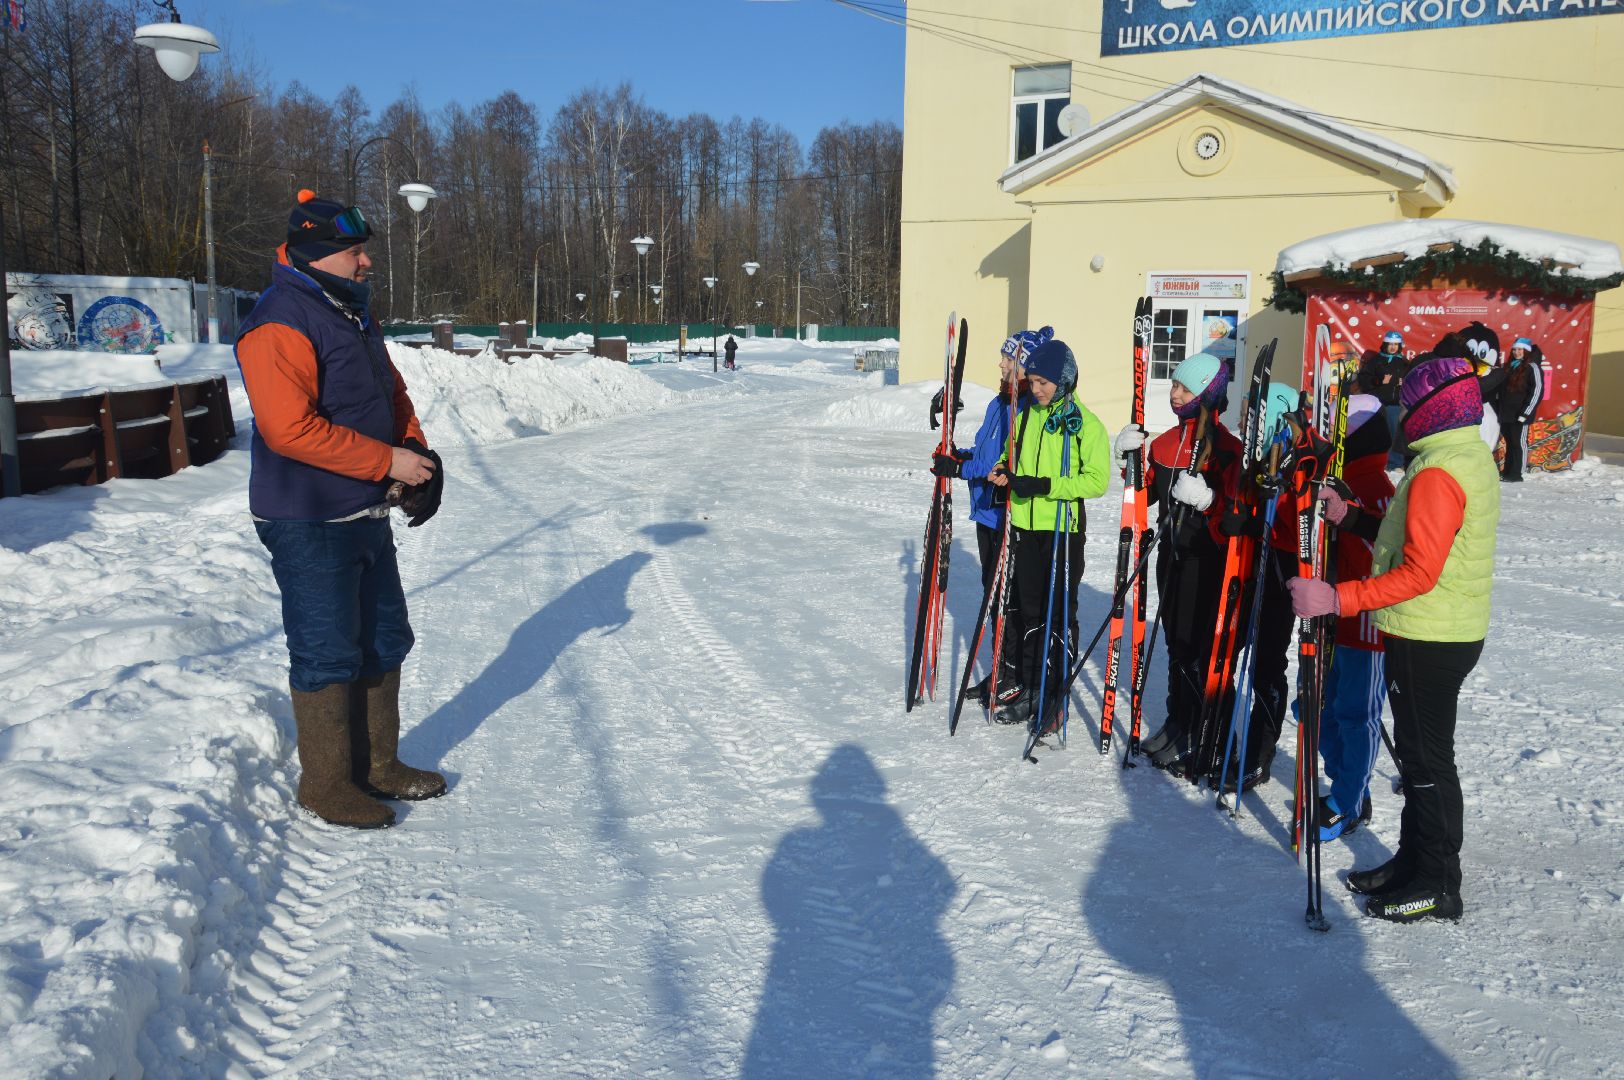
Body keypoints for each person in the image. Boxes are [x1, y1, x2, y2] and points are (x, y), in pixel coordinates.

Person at [236, 189, 448, 830]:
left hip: (362, 512)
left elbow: (390, 389)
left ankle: (379, 766)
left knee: (384, 638)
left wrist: (415, 448)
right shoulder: (280, 321)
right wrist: (387, 463)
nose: (366, 263)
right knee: (328, 649)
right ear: (317, 254)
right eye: (355, 252)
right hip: (307, 516)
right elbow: (288, 430)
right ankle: (327, 784)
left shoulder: (349, 312)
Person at [1289, 355, 1500, 923]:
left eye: (1408, 404)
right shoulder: (1457, 455)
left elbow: (1418, 572)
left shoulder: (1436, 472)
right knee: (1417, 760)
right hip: (1441, 627)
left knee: (1427, 762)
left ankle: (1437, 880)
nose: (1401, 415)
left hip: (1430, 633)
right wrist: (1351, 517)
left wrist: (1337, 599)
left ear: (1432, 409)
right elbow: (1413, 539)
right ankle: (1413, 861)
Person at [1117, 352, 1242, 771]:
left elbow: (1239, 512)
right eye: (1173, 384)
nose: (1174, 394)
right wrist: (1129, 461)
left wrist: (1209, 501)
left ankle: (1203, 728)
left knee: (1199, 649)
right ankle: (1177, 720)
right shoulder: (1167, 443)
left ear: (1208, 394)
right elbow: (1146, 495)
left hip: (1207, 562)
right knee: (1174, 643)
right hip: (1169, 556)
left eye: (1185, 388)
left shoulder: (1228, 448)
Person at [987, 337, 1110, 732]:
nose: (1036, 389)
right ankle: (1029, 686)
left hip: (1062, 529)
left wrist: (1045, 485)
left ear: (1065, 379)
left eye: (1044, 382)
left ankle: (1054, 694)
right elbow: (1012, 454)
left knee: (1058, 612)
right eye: (1033, 381)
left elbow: (1096, 480)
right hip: (1025, 525)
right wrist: (1005, 470)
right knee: (1028, 610)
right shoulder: (1026, 416)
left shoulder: (1085, 424)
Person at [930, 327, 1045, 709]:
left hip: (1004, 516)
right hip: (986, 513)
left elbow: (998, 462)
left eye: (1008, 358)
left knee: (1006, 598)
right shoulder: (1001, 403)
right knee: (993, 597)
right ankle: (1001, 668)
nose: (1001, 363)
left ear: (1024, 366)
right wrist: (956, 456)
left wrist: (960, 468)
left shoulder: (1025, 409)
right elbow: (982, 450)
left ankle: (1015, 674)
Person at [1310, 394, 1397, 839]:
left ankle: (1348, 801)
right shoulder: (1344, 479)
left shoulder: (1378, 486)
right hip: (1337, 619)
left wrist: (1346, 525)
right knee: (1326, 712)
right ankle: (1343, 786)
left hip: (1367, 623)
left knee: (1355, 716)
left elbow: (1381, 559)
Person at [1495, 337, 1544, 482]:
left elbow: (1536, 392)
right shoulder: (1510, 366)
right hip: (1507, 414)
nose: (1517, 352)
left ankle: (1517, 473)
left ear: (1526, 351)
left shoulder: (1532, 367)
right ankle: (1508, 471)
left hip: (1520, 415)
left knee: (1518, 443)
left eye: (1520, 349)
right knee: (1510, 443)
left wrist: (1525, 413)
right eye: (1515, 349)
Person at [1359, 330, 1408, 469]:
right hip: (1377, 404)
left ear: (1399, 346)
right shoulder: (1375, 361)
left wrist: (1404, 382)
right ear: (1385, 344)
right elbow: (1364, 379)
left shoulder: (1404, 363)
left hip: (1395, 406)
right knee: (1377, 435)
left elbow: (1413, 381)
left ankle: (1395, 465)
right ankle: (1376, 464)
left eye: (1395, 344)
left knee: (1394, 435)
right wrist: (1378, 380)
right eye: (1390, 344)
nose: (1392, 347)